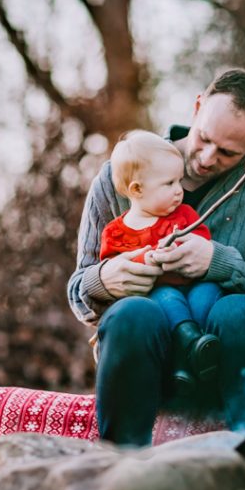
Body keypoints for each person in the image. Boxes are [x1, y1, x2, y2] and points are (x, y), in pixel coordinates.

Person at [68, 69, 245, 445]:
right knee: (134, 313)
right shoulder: (124, 173)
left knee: (238, 310)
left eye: (228, 152)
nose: (207, 158)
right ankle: (122, 464)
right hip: (146, 363)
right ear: (196, 107)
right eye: (204, 138)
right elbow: (78, 290)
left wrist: (217, 263)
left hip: (230, 361)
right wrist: (104, 279)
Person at [99, 130, 222, 395]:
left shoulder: (184, 215)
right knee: (165, 297)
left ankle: (196, 357)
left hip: (193, 286)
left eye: (179, 181)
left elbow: (202, 238)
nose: (179, 191)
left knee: (209, 293)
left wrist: (183, 248)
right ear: (137, 189)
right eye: (169, 184)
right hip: (157, 295)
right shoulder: (117, 231)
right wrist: (147, 258)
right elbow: (115, 265)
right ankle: (187, 353)